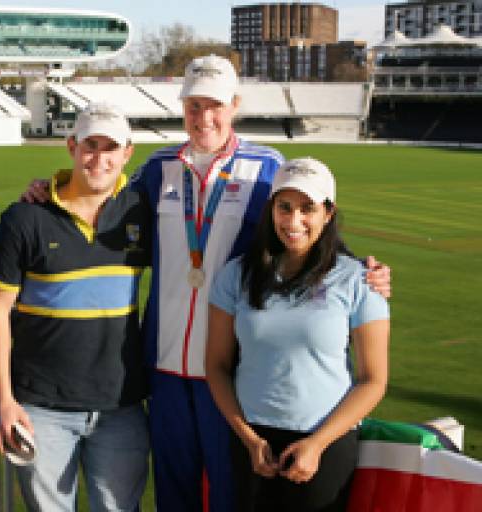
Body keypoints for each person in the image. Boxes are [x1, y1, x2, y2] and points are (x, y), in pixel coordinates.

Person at [23, 55, 390, 511]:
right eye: (194, 106)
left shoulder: (266, 164)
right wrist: (49, 190)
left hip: (232, 372)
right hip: (164, 365)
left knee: (228, 494)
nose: (204, 118)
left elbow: (303, 224)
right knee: (174, 493)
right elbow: (100, 198)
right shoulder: (158, 168)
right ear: (183, 108)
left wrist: (361, 267)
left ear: (234, 105)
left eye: (214, 105)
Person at [0, 102, 151, 511]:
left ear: (127, 153)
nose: (99, 158)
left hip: (121, 406)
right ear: (72, 146)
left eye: (110, 147)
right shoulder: (25, 218)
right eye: (90, 145)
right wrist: (4, 399)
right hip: (41, 409)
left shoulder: (140, 213)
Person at [205, 157, 389, 511]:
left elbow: (373, 380)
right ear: (271, 209)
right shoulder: (236, 275)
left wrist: (318, 444)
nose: (293, 221)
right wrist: (249, 439)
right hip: (253, 442)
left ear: (328, 213)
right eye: (284, 207)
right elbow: (216, 366)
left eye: (308, 208)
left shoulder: (358, 280)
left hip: (326, 443)